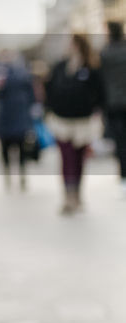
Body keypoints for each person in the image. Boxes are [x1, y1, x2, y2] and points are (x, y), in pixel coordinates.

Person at [45, 32, 105, 215]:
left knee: (79, 159)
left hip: (83, 121)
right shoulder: (60, 66)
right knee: (67, 157)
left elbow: (99, 91)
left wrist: (96, 110)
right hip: (62, 120)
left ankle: (77, 194)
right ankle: (68, 196)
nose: (67, 45)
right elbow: (49, 88)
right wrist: (49, 109)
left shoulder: (91, 67)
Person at [0, 53, 36, 189]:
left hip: (12, 117)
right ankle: (17, 175)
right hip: (13, 117)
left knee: (13, 148)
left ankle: (15, 175)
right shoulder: (18, 73)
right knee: (15, 149)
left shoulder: (8, 73)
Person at [100, 20, 126, 197]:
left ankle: (123, 177)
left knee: (120, 142)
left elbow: (100, 81)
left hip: (113, 105)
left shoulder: (105, 54)